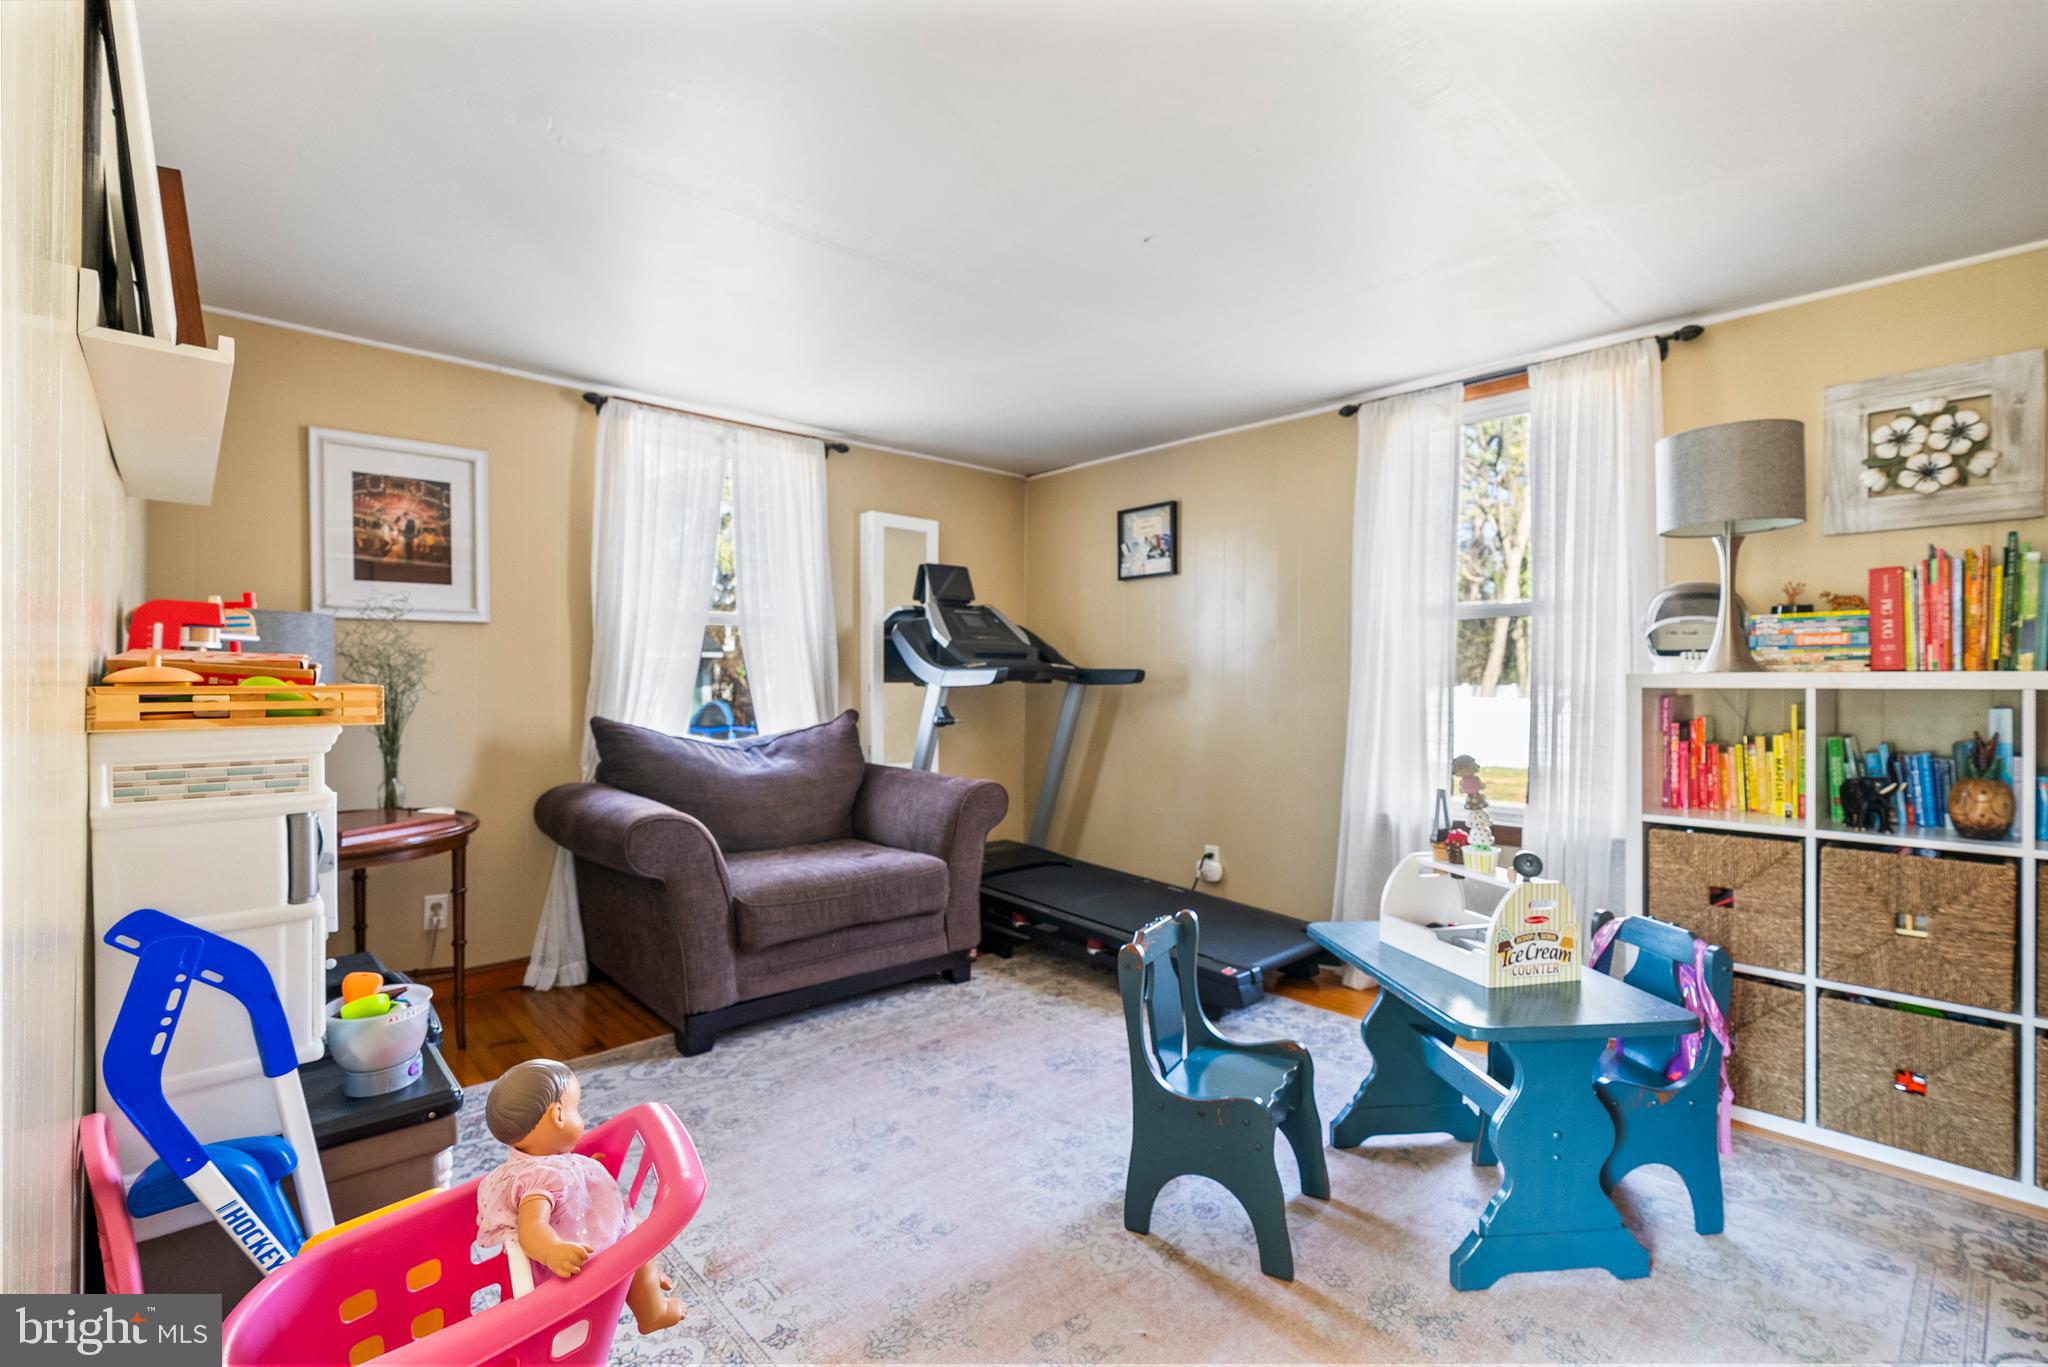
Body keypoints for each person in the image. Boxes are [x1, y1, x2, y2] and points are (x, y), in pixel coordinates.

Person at [476, 1059, 686, 1335]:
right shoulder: (540, 1180)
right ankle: (653, 1313)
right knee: (636, 1238)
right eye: (576, 1108)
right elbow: (532, 1227)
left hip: (577, 1233)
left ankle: (643, 1282)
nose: (581, 1116)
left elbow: (563, 1189)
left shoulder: (530, 1161)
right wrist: (553, 1251)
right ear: (558, 1115)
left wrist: (581, 1173)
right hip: (574, 1260)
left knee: (632, 1224)